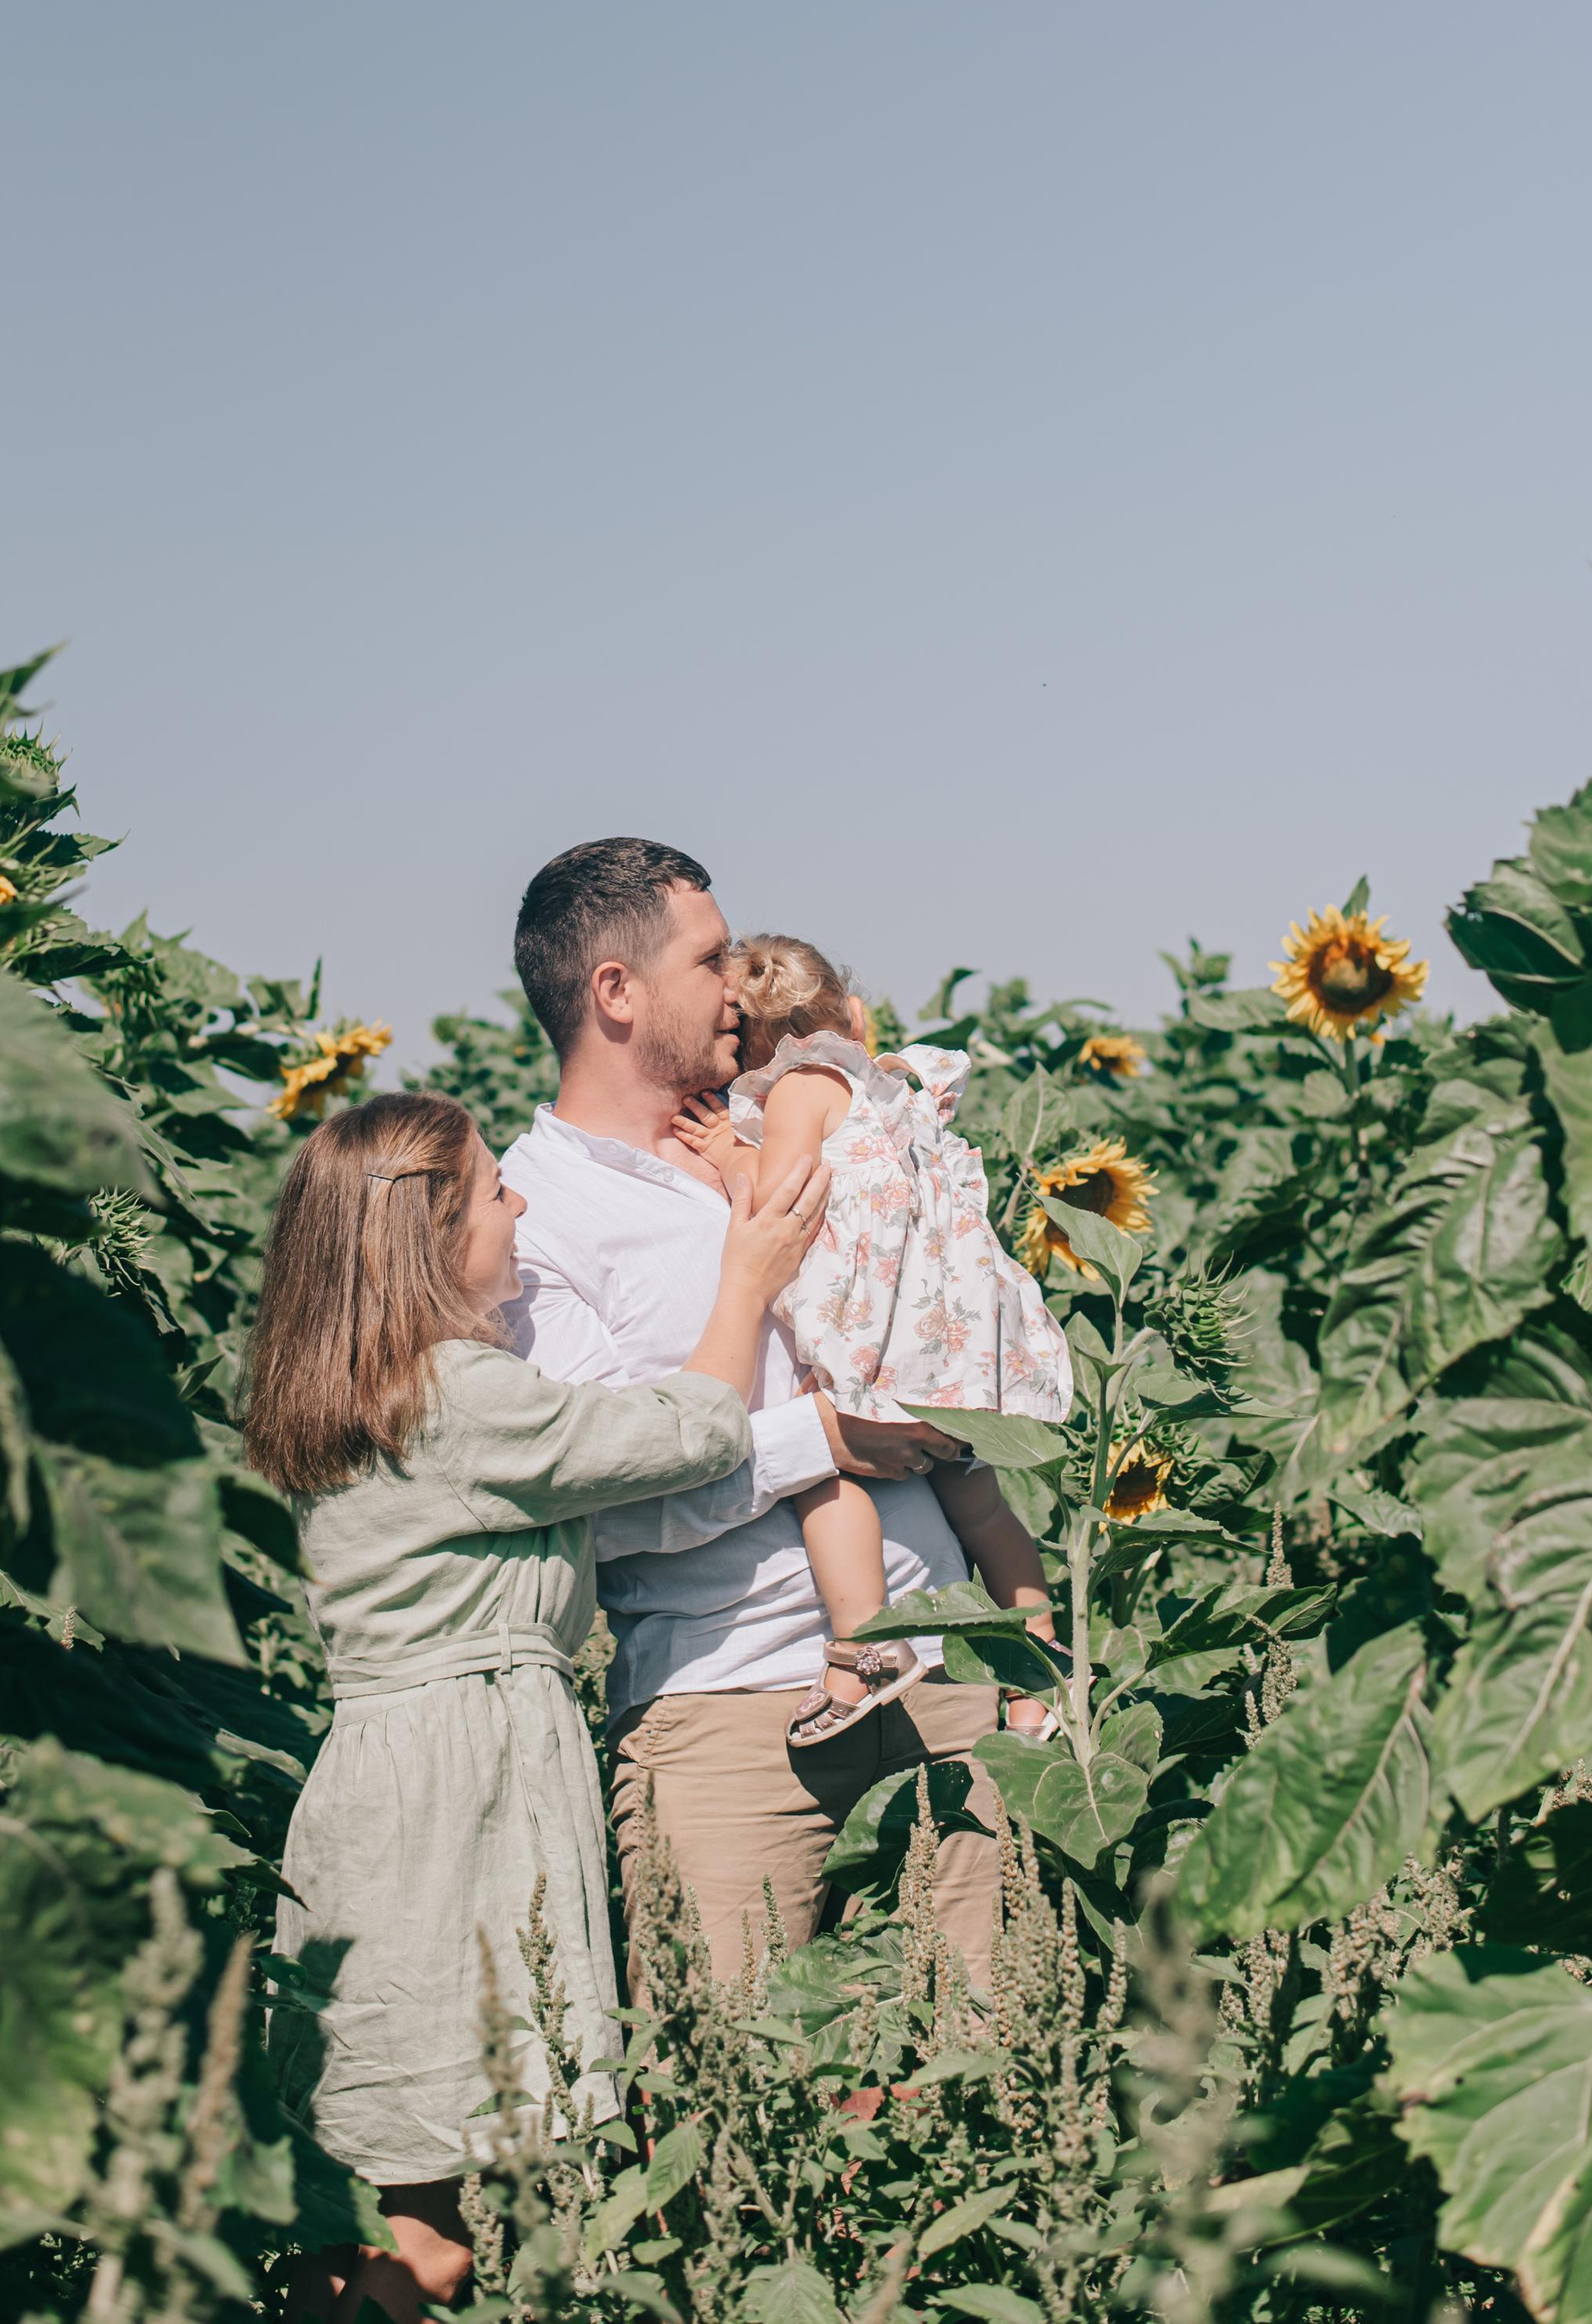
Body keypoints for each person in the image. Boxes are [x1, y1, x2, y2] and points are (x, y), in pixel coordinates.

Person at [245, 1087, 829, 2320]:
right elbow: (684, 1433)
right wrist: (746, 1279)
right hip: (459, 1801)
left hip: (401, 1786)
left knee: (380, 2193)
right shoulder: (458, 1394)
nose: (520, 1209)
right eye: (496, 1194)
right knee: (424, 2228)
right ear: (437, 1237)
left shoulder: (372, 1391)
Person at [500, 837, 1008, 1989]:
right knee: (734, 2106)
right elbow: (601, 1507)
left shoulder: (788, 1120)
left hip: (944, 1670)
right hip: (730, 1713)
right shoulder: (537, 1220)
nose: (740, 983)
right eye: (711, 957)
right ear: (615, 992)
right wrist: (821, 1442)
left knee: (997, 2074)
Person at [670, 934, 1069, 1749]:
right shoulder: (896, 1086)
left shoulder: (795, 1092)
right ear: (853, 1014)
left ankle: (863, 1649)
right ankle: (1040, 1678)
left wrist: (726, 1159)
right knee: (983, 1506)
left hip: (881, 1330)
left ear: (752, 1052)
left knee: (825, 1468)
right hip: (954, 1334)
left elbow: (787, 1202)